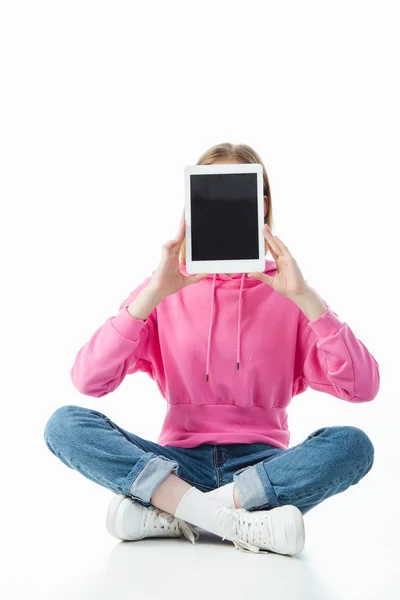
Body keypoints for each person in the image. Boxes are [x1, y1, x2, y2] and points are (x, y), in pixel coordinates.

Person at [43, 142, 379, 556]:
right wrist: (151, 295)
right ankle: (239, 522)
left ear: (261, 205)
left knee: (353, 445)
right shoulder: (166, 286)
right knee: (64, 425)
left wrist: (306, 298)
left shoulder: (289, 293)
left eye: (235, 193)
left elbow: (363, 387)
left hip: (263, 472)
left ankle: (178, 514)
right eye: (208, 195)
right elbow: (88, 379)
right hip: (174, 465)